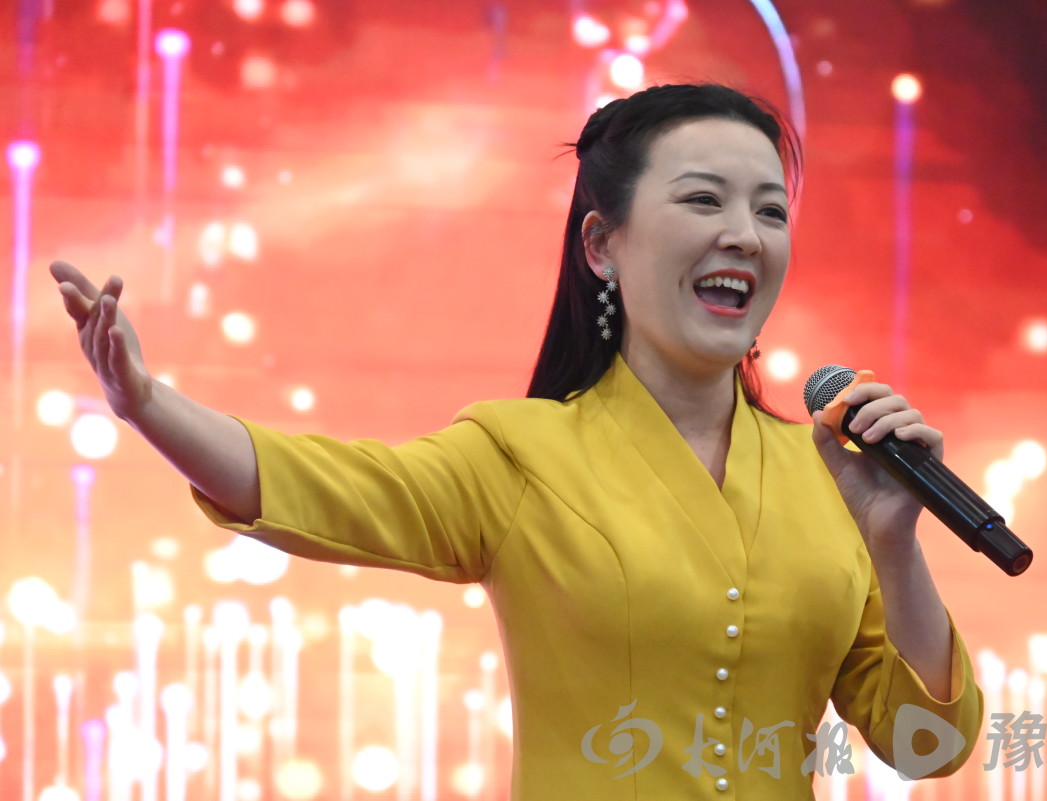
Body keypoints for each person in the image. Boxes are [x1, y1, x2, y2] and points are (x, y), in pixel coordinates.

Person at [53, 83, 983, 798]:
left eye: (770, 211)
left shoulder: (832, 473)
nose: (744, 234)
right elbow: (317, 483)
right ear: (601, 244)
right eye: (704, 201)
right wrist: (149, 405)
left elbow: (926, 745)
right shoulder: (522, 454)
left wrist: (893, 541)